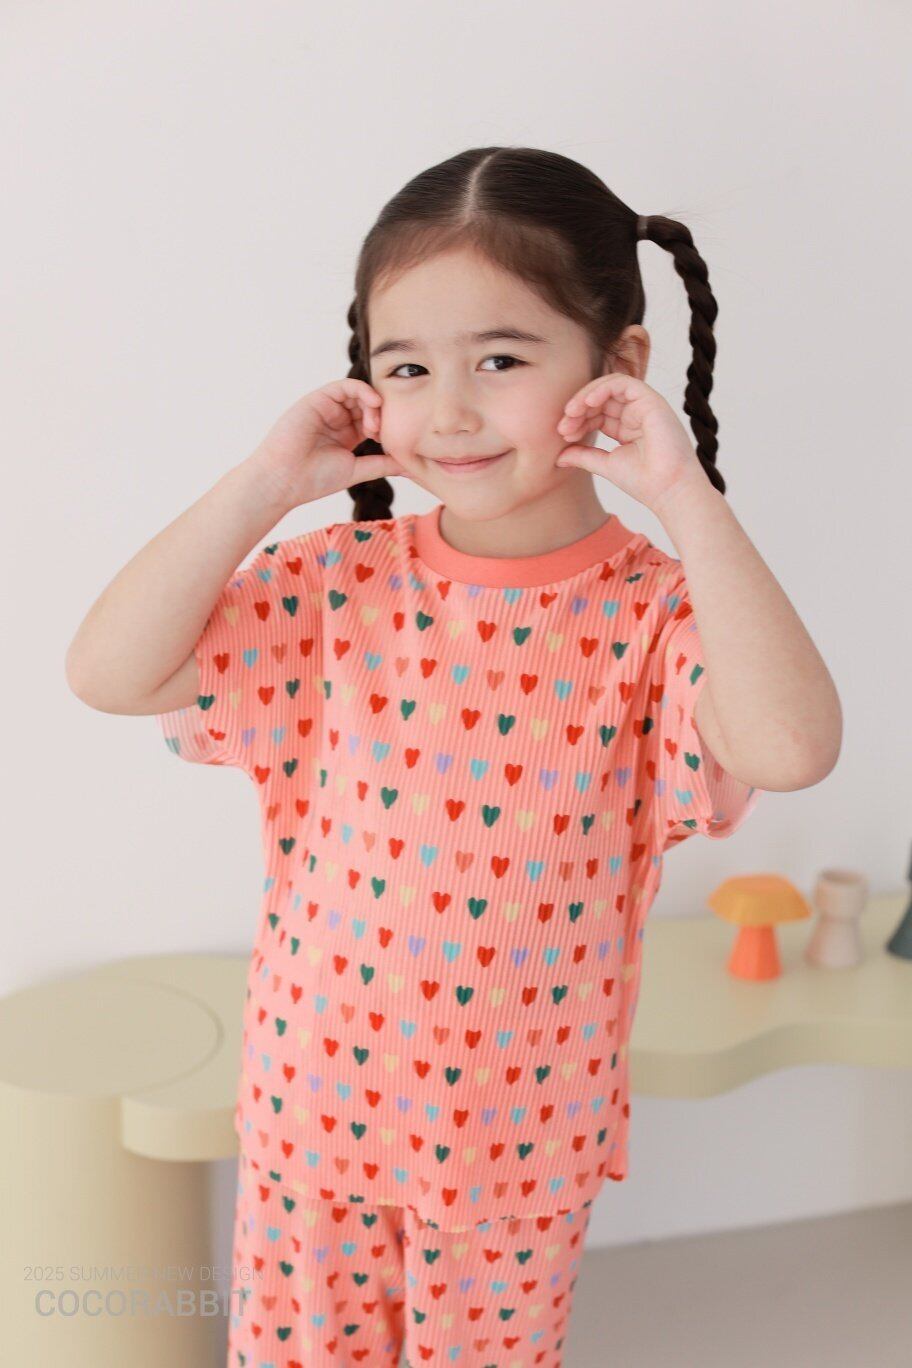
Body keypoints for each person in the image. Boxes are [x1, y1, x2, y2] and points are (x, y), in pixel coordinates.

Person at [66, 146, 842, 1367]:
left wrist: (684, 493)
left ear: (619, 366)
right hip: (313, 1115)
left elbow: (791, 748)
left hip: (516, 1150)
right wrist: (266, 482)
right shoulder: (331, 586)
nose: (452, 412)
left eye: (501, 359)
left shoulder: (657, 617)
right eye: (408, 368)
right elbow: (108, 674)